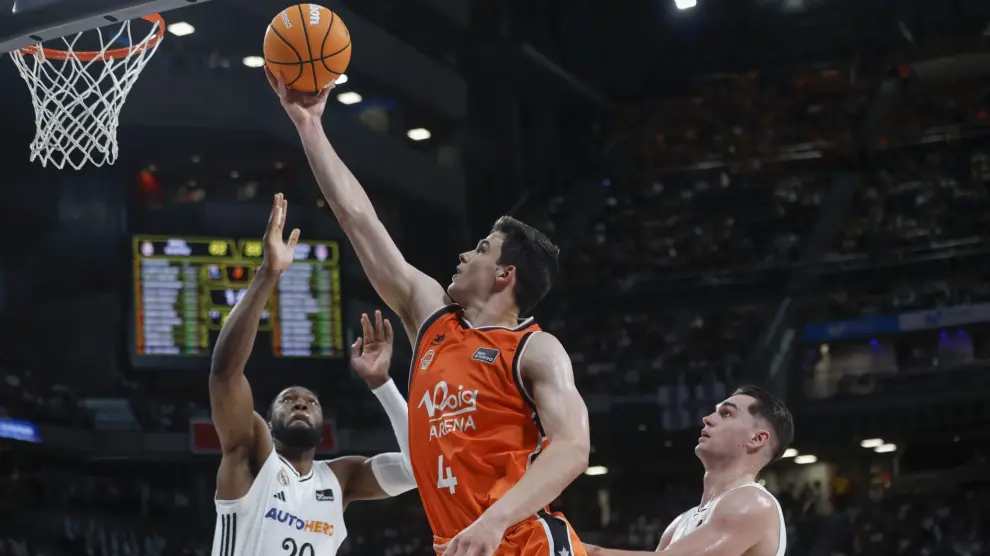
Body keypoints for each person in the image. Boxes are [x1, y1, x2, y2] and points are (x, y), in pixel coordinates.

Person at [267, 72, 592, 556]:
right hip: (456, 545)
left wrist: (495, 520)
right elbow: (359, 221)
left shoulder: (535, 349)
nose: (464, 254)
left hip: (524, 542)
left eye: (481, 249)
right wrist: (309, 125)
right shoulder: (434, 319)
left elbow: (572, 448)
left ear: (505, 274)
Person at [209, 193, 417, 556]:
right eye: (288, 400)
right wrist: (267, 274)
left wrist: (382, 384)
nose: (301, 404)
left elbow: (419, 469)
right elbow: (225, 375)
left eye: (310, 402)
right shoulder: (252, 455)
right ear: (269, 423)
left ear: (324, 422)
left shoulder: (341, 479)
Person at [586, 386, 794, 556]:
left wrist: (577, 549)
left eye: (727, 414)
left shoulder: (752, 502)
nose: (708, 418)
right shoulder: (680, 523)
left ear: (757, 439)